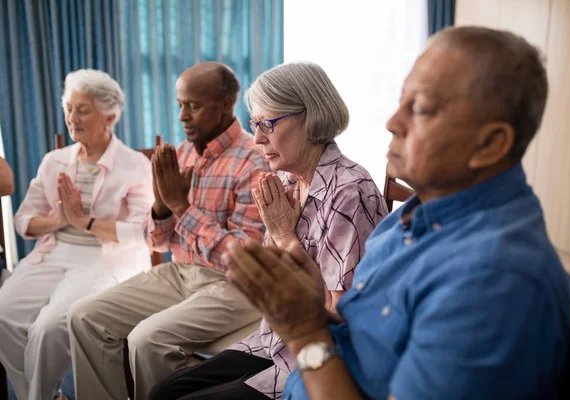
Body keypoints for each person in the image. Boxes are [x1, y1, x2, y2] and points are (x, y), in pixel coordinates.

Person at [223, 26, 570, 400]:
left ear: (489, 144)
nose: (392, 122)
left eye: (420, 108)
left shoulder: (495, 276)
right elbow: (365, 329)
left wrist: (305, 330)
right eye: (400, 100)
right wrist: (308, 304)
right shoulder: (411, 217)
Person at [149, 61, 389, 400]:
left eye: (267, 124)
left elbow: (339, 315)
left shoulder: (349, 191)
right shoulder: (287, 181)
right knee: (163, 391)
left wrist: (285, 237)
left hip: (319, 357)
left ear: (310, 118)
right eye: (254, 124)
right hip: (272, 340)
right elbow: (267, 275)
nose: (258, 138)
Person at [68, 62, 270, 400]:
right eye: (180, 105)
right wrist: (162, 208)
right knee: (84, 317)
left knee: (147, 339)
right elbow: (157, 241)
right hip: (180, 272)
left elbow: (244, 258)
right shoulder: (180, 153)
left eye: (193, 105)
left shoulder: (255, 161)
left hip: (238, 286)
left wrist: (180, 207)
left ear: (225, 104)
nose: (182, 116)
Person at [0, 69, 153, 400]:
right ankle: (41, 396)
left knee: (47, 327)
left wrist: (83, 220)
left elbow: (143, 231)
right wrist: (59, 220)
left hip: (106, 258)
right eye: (69, 108)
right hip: (54, 251)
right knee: (3, 315)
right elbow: (23, 218)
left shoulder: (135, 164)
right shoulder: (54, 160)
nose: (72, 118)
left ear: (109, 116)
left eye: (83, 109)